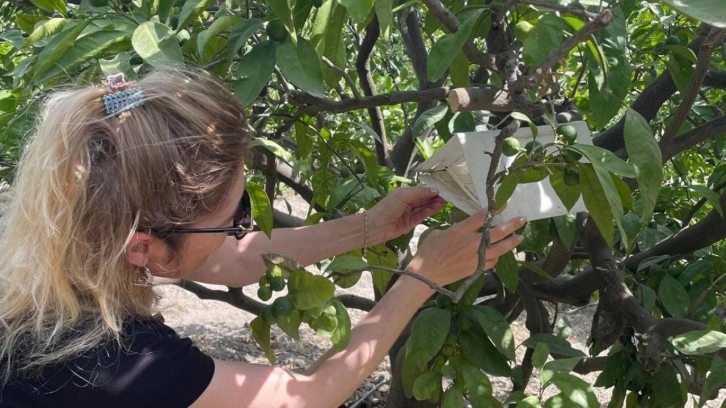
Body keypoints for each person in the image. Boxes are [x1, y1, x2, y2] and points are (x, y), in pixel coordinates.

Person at [0, 69, 526, 408]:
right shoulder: (121, 366)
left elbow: (229, 261)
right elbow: (308, 398)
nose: (242, 230)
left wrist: (372, 227)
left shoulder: (50, 265)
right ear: (144, 248)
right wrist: (421, 277)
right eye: (234, 218)